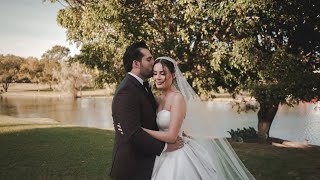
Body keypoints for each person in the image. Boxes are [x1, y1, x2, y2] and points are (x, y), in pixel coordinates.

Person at [142, 57, 256, 180]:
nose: (158, 77)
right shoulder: (159, 99)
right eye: (155, 73)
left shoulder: (177, 98)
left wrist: (142, 131)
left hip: (176, 156)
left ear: (173, 75)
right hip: (162, 153)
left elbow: (172, 136)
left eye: (163, 74)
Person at [110, 42, 184, 180]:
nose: (153, 62)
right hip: (131, 167)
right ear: (136, 64)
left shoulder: (143, 86)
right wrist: (165, 147)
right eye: (149, 59)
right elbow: (133, 133)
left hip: (148, 162)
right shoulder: (126, 91)